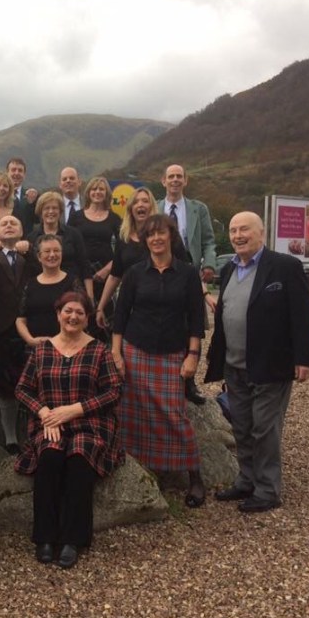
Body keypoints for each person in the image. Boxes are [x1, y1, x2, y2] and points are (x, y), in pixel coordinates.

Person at [205, 211, 309, 513]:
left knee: (265, 428)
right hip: (235, 365)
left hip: (271, 364)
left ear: (261, 233)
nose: (238, 236)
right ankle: (247, 480)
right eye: (233, 230)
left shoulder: (284, 267)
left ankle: (268, 489)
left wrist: (304, 358)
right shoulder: (228, 270)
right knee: (241, 426)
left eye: (244, 230)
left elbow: (303, 315)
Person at [15, 292, 122, 570]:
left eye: (79, 313)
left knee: (78, 459)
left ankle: (73, 540)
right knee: (49, 458)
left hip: (89, 422)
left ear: (87, 318)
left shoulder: (99, 350)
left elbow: (113, 391)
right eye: (67, 311)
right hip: (49, 422)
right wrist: (44, 413)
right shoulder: (42, 350)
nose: (73, 317)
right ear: (58, 314)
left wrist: (75, 409)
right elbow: (22, 389)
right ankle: (45, 537)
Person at [111, 215, 207, 508]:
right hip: (135, 350)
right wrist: (116, 353)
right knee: (134, 413)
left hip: (172, 353)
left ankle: (195, 478)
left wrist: (192, 356)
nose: (156, 239)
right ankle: (142, 471)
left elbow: (196, 318)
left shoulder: (188, 273)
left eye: (161, 233)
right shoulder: (135, 274)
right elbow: (120, 316)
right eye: (150, 234)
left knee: (174, 414)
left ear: (171, 236)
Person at [158, 163, 217, 404]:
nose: (174, 180)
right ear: (163, 181)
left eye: (179, 176)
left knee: (193, 325)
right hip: (161, 271)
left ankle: (189, 382)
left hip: (190, 272)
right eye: (170, 176)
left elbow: (209, 241)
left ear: (186, 180)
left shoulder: (198, 209)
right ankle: (165, 379)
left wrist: (209, 265)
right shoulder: (154, 207)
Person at [0, 215, 26, 454]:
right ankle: (9, 436)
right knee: (2, 383)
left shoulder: (31, 256)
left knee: (26, 382)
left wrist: (29, 252)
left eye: (14, 222)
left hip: (28, 328)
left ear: (22, 231)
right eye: (4, 223)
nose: (9, 225)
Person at [96, 187, 158, 330]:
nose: (140, 205)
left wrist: (204, 293)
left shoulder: (163, 236)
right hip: (128, 303)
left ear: (152, 207)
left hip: (157, 301)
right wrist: (100, 307)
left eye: (145, 201)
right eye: (136, 202)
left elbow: (185, 268)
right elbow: (114, 276)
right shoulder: (123, 238)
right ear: (130, 208)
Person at [16, 234, 86, 348]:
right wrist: (30, 340)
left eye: (56, 250)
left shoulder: (73, 282)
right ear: (39, 256)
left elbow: (83, 316)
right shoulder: (30, 284)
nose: (52, 255)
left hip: (68, 346)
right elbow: (20, 319)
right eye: (47, 251)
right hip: (36, 348)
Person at [20, 192, 93, 298]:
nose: (51, 211)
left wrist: (90, 297)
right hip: (42, 292)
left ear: (60, 211)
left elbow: (84, 265)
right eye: (46, 208)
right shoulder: (32, 237)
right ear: (40, 211)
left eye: (55, 208)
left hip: (70, 291)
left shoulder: (73, 234)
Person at [69, 177, 122, 306]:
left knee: (104, 311)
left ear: (107, 193)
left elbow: (123, 248)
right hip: (79, 272)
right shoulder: (76, 217)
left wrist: (108, 269)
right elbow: (68, 243)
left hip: (105, 274)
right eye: (94, 189)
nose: (97, 192)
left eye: (101, 189)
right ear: (88, 192)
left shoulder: (114, 218)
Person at [6, 157, 39, 233]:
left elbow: (37, 220)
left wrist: (32, 203)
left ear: (24, 175)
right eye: (13, 170)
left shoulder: (32, 196)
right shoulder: (0, 195)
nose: (16, 173)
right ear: (7, 173)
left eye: (20, 171)